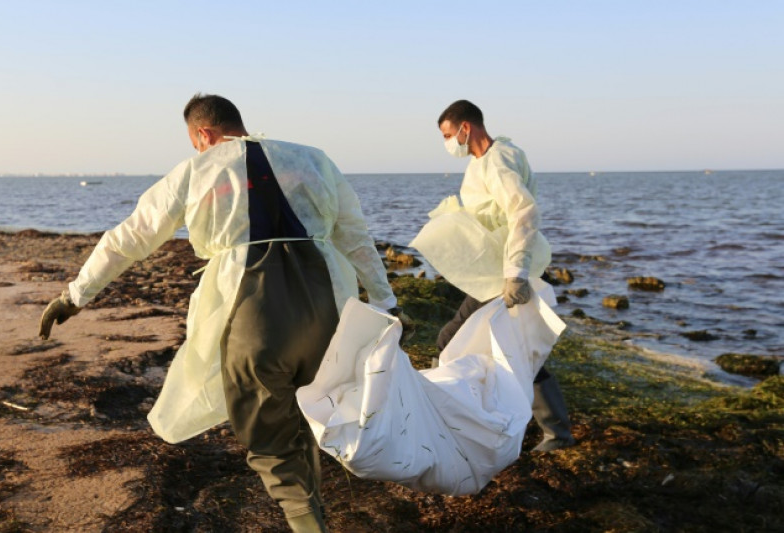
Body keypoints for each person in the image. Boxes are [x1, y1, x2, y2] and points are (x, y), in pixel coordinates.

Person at [38, 94, 400, 532]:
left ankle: (309, 524)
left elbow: (129, 238)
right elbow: (356, 236)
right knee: (309, 414)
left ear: (203, 134)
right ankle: (314, 508)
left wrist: (76, 295)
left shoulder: (195, 171)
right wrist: (385, 302)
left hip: (254, 310)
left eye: (196, 142)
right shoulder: (312, 159)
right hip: (329, 306)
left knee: (270, 437)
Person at [434, 99, 575, 453]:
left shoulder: (497, 162)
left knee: (452, 341)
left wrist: (515, 273)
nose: (448, 144)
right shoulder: (485, 161)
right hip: (493, 271)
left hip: (505, 274)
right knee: (515, 351)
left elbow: (523, 213)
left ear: (466, 128)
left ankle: (450, 418)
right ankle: (549, 431)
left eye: (449, 135)